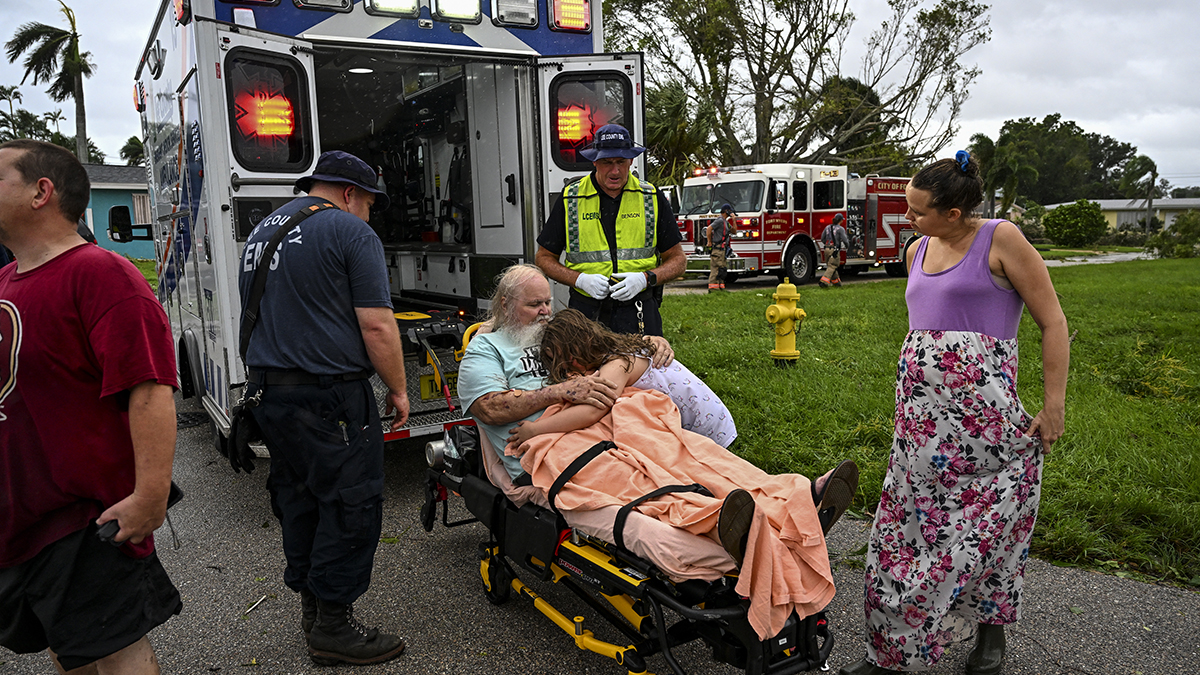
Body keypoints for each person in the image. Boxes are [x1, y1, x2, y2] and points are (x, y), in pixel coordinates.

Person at [838, 151, 1069, 675]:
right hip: (919, 425)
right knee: (903, 532)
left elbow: (1053, 322)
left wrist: (1053, 405)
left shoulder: (1002, 239)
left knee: (990, 526)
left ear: (954, 213)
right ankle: (890, 652)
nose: (907, 217)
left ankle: (991, 631)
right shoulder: (916, 249)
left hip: (985, 427)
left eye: (918, 210)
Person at [0, 139, 182, 674]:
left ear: (41, 192)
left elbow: (149, 389)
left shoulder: (102, 274)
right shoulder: (6, 281)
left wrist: (149, 497)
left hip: (85, 517)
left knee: (114, 650)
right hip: (23, 516)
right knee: (69, 649)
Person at [237, 150, 411, 667]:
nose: (369, 214)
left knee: (299, 499)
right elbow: (376, 323)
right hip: (329, 397)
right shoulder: (350, 231)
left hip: (271, 394)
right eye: (370, 203)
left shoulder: (262, 231)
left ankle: (312, 609)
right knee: (352, 503)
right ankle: (334, 626)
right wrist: (398, 389)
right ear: (351, 193)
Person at [509, 308, 737, 449]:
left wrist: (536, 430)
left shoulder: (618, 364)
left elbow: (591, 411)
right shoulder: (621, 347)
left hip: (710, 433)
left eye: (569, 358)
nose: (569, 369)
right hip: (714, 421)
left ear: (584, 342)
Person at [535, 124, 686, 336]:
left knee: (646, 359)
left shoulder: (650, 197)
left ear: (631, 161)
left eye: (621, 162)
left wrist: (645, 279)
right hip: (586, 313)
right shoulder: (571, 198)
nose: (615, 171)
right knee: (587, 359)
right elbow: (543, 258)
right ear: (594, 161)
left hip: (639, 310)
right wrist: (579, 280)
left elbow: (678, 261)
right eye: (607, 162)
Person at [707, 203, 734, 292]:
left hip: (723, 250)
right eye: (730, 211)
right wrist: (709, 242)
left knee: (722, 269)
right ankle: (713, 289)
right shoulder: (719, 220)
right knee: (716, 269)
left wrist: (734, 220)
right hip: (717, 249)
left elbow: (734, 231)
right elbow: (709, 229)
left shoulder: (726, 222)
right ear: (726, 211)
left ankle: (721, 288)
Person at [819, 213, 850, 288]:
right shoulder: (840, 229)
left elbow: (822, 238)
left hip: (826, 249)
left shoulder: (827, 227)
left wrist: (827, 244)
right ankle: (823, 282)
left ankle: (837, 283)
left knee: (831, 266)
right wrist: (847, 246)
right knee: (833, 265)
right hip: (834, 250)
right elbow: (845, 240)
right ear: (841, 220)